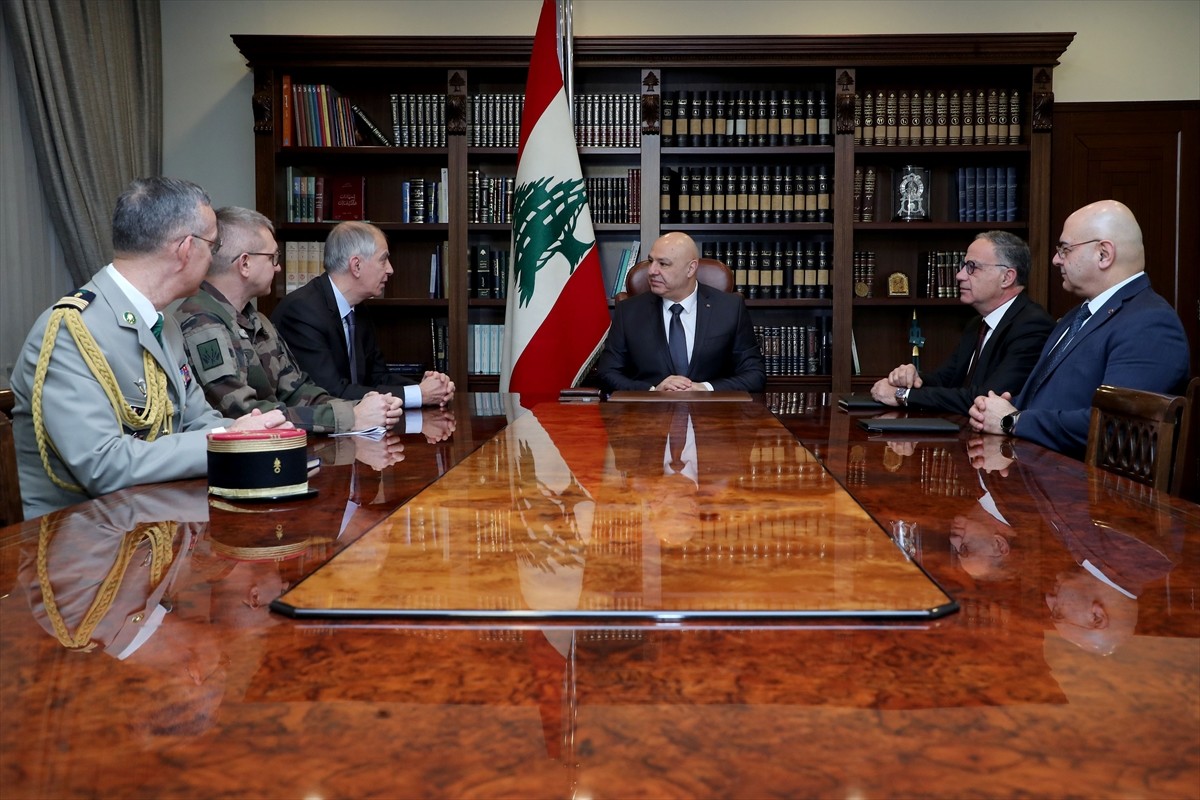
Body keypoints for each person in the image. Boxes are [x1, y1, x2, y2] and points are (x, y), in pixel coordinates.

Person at [9, 178, 291, 518]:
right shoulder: (70, 332)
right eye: (213, 247)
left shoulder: (162, 323)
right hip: (82, 547)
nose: (214, 259)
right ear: (186, 249)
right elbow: (103, 465)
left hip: (156, 525)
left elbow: (197, 419)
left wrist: (244, 434)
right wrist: (227, 442)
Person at [969, 200, 1190, 458]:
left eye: (1065, 249)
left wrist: (1013, 421)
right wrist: (996, 409)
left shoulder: (1151, 323)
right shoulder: (1077, 315)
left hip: (1091, 490)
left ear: (1103, 254)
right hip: (1038, 473)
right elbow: (1050, 400)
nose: (1055, 259)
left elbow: (1117, 426)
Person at [173, 207, 402, 434]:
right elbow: (244, 414)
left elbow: (297, 391)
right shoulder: (202, 323)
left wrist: (360, 408)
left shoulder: (257, 320)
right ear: (244, 264)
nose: (279, 267)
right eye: (273, 257)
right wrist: (349, 417)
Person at [270, 221, 454, 408]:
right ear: (356, 265)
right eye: (383, 259)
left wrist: (428, 389)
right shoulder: (302, 311)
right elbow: (329, 392)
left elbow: (377, 378)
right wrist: (419, 394)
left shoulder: (358, 309)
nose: (390, 269)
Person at [870, 231, 1053, 415]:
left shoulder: (1032, 326)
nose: (959, 275)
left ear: (1006, 277)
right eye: (964, 266)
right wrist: (911, 379)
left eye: (972, 267)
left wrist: (903, 395)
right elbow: (945, 380)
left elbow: (986, 400)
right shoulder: (977, 324)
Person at [595, 231, 765, 393]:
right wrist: (652, 390)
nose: (652, 271)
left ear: (691, 269)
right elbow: (606, 373)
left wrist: (704, 388)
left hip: (713, 414)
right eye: (650, 261)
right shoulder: (629, 311)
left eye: (663, 264)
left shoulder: (730, 308)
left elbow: (755, 375)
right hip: (648, 415)